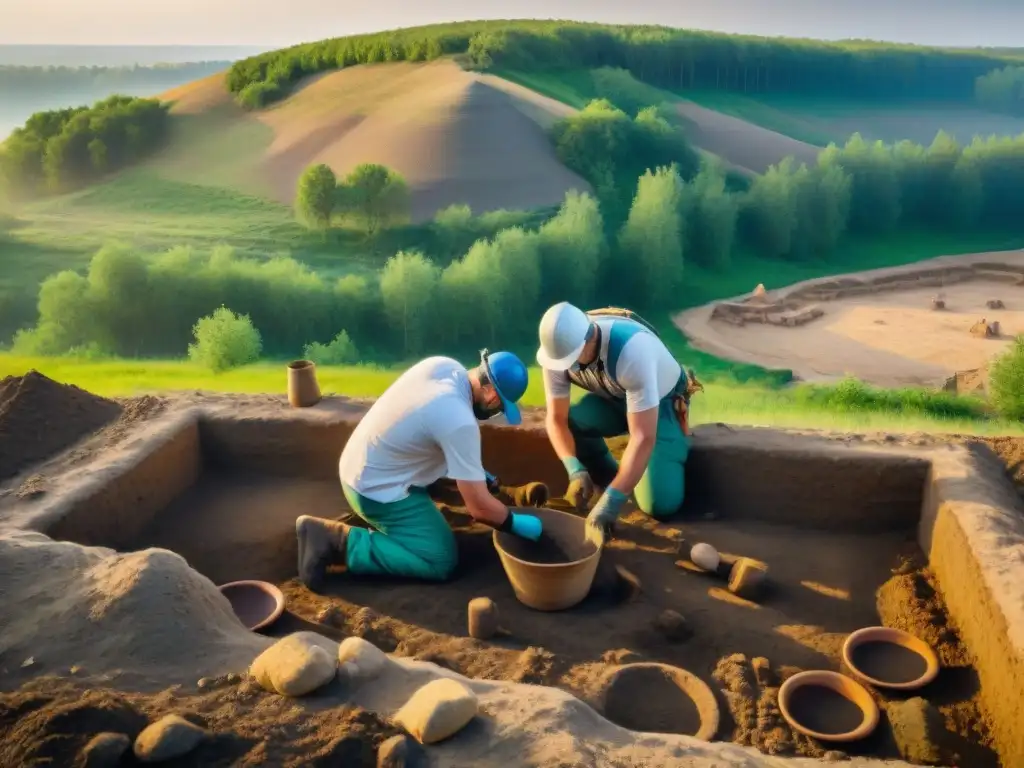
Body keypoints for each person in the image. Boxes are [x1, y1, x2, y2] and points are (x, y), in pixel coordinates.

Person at [295, 350, 544, 590]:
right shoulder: (460, 422)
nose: (495, 412)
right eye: (500, 407)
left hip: (363, 459)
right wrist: (514, 523)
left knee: (465, 483)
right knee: (440, 559)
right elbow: (479, 509)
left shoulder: (444, 366)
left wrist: (496, 485)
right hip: (374, 489)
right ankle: (337, 542)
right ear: (492, 396)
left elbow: (443, 440)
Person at [535, 302, 703, 546]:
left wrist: (611, 504)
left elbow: (643, 436)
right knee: (573, 423)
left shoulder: (632, 350)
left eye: (569, 360)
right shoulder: (558, 351)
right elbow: (556, 419)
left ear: (589, 338)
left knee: (660, 503)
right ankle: (613, 478)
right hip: (614, 398)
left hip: (661, 402)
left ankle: (631, 481)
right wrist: (575, 470)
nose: (564, 367)